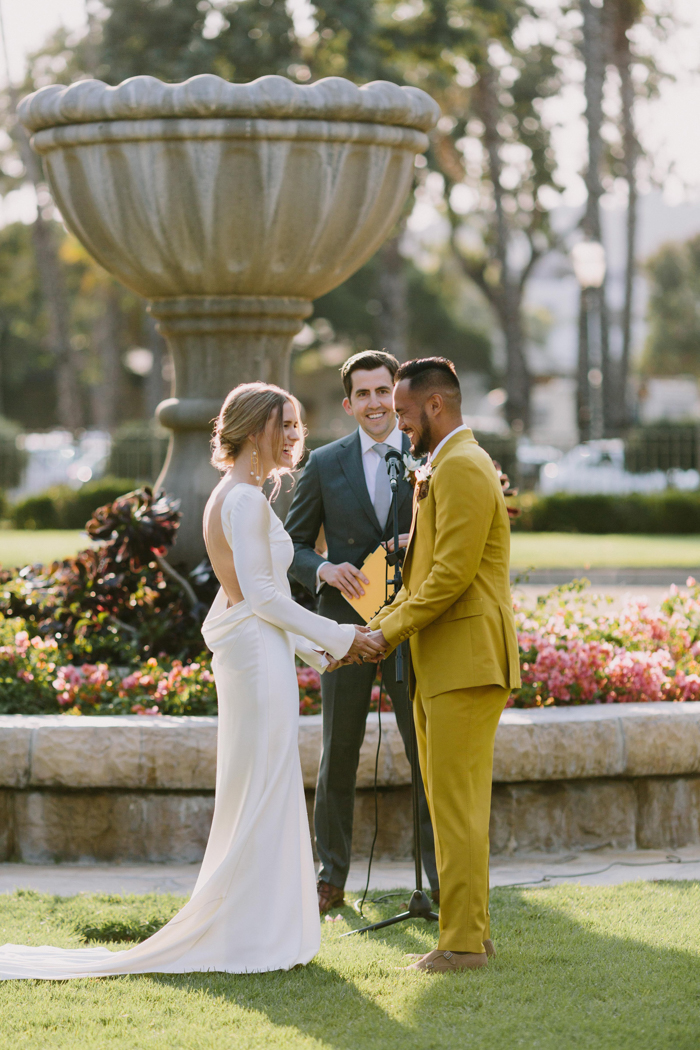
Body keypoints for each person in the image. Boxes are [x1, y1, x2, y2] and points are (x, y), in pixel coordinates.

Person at [0, 382, 384, 980]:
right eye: (283, 425)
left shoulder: (229, 495)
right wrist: (342, 637)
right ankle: (252, 935)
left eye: (296, 425)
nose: (292, 437)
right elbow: (259, 596)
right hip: (258, 663)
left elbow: (247, 601)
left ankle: (256, 926)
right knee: (264, 788)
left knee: (262, 785)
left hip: (258, 655)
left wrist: (318, 652)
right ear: (255, 428)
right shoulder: (247, 501)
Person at [366, 357, 521, 974]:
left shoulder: (460, 464)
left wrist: (383, 633)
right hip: (447, 661)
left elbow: (451, 578)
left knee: (454, 807)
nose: (399, 425)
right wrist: (376, 628)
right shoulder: (449, 464)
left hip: (465, 661)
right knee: (453, 804)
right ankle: (471, 933)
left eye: (404, 412)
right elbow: (425, 574)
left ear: (435, 406)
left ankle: (459, 944)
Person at [286, 350, 438, 914]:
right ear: (349, 403)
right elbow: (291, 546)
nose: (376, 403)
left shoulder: (426, 460)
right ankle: (331, 877)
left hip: (412, 626)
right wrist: (324, 568)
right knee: (338, 751)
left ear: (396, 398)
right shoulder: (325, 463)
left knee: (425, 750)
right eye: (365, 394)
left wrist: (413, 546)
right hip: (343, 627)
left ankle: (442, 877)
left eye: (384, 392)